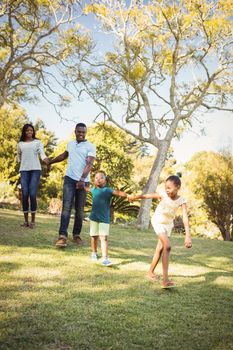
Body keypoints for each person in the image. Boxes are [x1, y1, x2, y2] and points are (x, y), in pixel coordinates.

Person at [129, 174, 192, 288]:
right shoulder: (163, 195)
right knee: (167, 246)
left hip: (168, 225)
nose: (167, 190)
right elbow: (148, 196)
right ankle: (165, 280)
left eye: (169, 188)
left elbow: (185, 218)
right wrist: (135, 197)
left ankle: (150, 273)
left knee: (160, 248)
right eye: (165, 187)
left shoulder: (182, 200)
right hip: (158, 221)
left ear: (177, 187)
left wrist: (187, 236)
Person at [48, 123, 96, 248]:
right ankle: (62, 236)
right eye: (79, 132)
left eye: (83, 132)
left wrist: (82, 179)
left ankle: (76, 235)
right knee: (66, 208)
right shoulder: (70, 144)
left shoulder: (90, 146)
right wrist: (51, 162)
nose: (81, 134)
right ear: (75, 131)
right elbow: (64, 156)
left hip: (83, 182)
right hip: (69, 179)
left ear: (86, 133)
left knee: (79, 210)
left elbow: (89, 164)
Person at [85, 171, 129, 266]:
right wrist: (78, 186)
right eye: (96, 178)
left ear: (105, 180)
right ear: (94, 180)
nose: (98, 179)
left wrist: (127, 195)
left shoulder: (108, 190)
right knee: (93, 236)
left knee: (104, 237)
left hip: (104, 219)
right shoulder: (93, 190)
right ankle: (94, 253)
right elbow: (85, 188)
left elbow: (118, 192)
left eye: (101, 178)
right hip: (94, 218)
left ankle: (105, 258)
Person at [17, 123, 49, 228]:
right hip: (24, 171)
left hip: (35, 170)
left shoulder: (37, 142)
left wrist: (47, 161)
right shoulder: (20, 144)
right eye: (27, 130)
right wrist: (21, 165)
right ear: (24, 132)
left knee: (32, 194)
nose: (29, 132)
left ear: (33, 131)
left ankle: (33, 221)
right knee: (24, 195)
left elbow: (42, 154)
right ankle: (26, 221)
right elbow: (19, 157)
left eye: (31, 130)